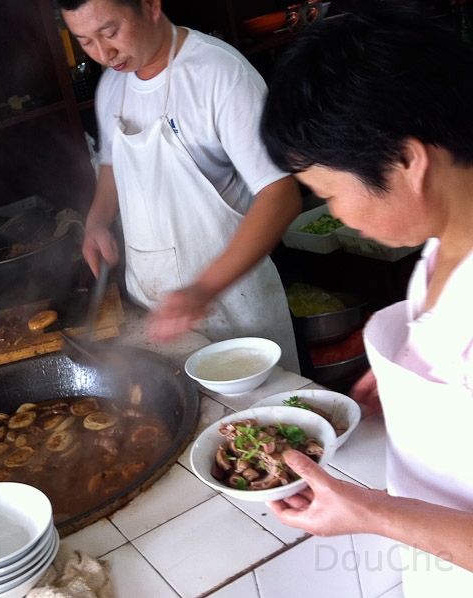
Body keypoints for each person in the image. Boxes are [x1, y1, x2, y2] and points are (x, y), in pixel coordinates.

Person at [259, 1, 473, 594]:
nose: (336, 215)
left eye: (328, 193)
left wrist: (367, 512)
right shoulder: (445, 240)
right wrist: (416, 388)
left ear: (407, 160)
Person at [58, 0, 302, 373]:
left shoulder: (220, 73)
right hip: (152, 313)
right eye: (85, 42)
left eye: (110, 33)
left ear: (150, 6)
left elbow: (281, 195)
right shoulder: (112, 85)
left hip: (235, 312)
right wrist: (97, 220)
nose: (104, 54)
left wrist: (201, 290)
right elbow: (112, 162)